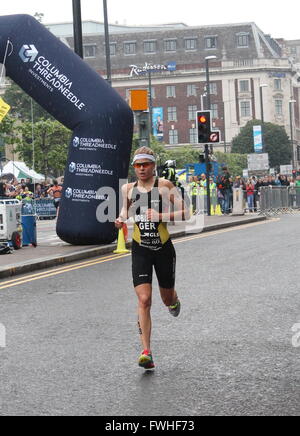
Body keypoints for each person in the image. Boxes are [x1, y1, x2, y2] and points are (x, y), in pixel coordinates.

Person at [115, 147, 188, 370]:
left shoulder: (164, 186)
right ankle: (146, 351)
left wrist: (160, 216)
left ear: (153, 165)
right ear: (134, 167)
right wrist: (119, 220)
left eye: (146, 164)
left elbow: (186, 213)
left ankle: (174, 300)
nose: (142, 168)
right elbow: (125, 213)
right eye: (138, 165)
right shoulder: (128, 188)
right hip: (141, 250)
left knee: (166, 299)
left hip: (163, 249)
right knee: (144, 299)